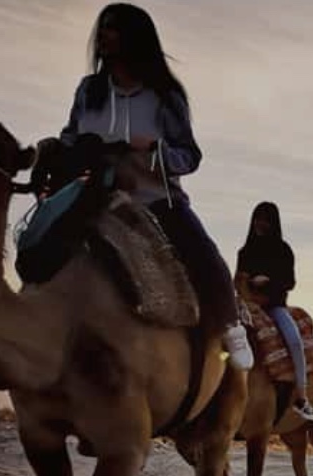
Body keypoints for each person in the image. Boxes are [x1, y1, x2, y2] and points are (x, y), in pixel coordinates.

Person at [56, 3, 252, 370]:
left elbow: (190, 156)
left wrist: (154, 150)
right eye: (103, 27)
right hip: (93, 197)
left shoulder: (165, 96)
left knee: (202, 251)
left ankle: (230, 325)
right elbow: (69, 137)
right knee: (41, 243)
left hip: (155, 200)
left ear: (134, 37)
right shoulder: (89, 91)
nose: (104, 35)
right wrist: (61, 156)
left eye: (113, 28)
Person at [237, 202, 313, 423]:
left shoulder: (283, 250)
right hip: (246, 306)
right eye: (257, 219)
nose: (259, 224)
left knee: (294, 342)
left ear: (273, 223)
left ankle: (301, 396)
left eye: (264, 220)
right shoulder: (244, 252)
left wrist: (268, 281)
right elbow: (239, 279)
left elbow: (289, 282)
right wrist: (244, 287)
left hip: (274, 307)